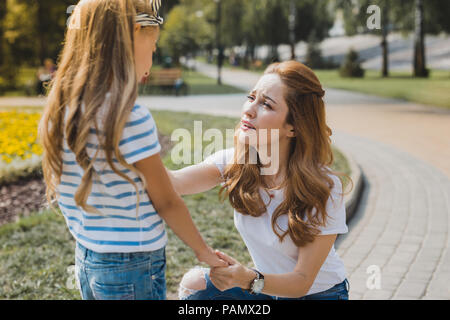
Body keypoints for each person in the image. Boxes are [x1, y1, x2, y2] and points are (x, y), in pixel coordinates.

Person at [38, 0, 226, 300]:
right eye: (152, 48)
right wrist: (203, 251)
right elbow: (166, 201)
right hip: (133, 263)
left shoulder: (65, 109)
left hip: (88, 257)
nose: (151, 59)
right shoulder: (128, 115)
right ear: (134, 34)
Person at [169, 60, 352, 300]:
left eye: (266, 104)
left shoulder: (323, 187)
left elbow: (302, 282)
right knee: (195, 285)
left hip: (318, 295)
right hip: (265, 289)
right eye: (251, 97)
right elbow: (174, 182)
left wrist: (246, 278)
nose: (249, 110)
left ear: (293, 127)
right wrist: (132, 155)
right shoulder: (235, 163)